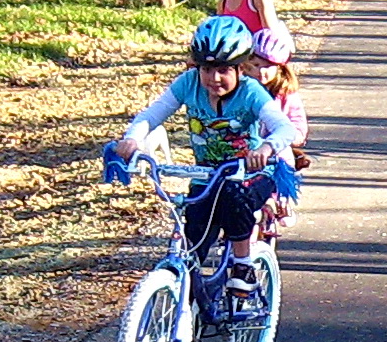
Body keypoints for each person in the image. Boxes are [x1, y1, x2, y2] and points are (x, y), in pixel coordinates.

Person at [110, 16, 301, 294]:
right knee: (196, 228)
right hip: (207, 175)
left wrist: (266, 148)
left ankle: (243, 265)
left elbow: (285, 127)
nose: (214, 78)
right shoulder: (188, 84)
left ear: (240, 68)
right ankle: (187, 305)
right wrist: (132, 139)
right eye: (207, 69)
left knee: (235, 199)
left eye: (224, 70)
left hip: (251, 173)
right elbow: (153, 114)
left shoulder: (251, 92)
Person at [251, 27, 307, 236]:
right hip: (248, 144)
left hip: (276, 145)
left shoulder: (285, 94)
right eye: (255, 65)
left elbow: (297, 119)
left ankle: (282, 199)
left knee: (282, 160)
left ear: (280, 69)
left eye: (268, 67)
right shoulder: (245, 89)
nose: (261, 72)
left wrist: (295, 135)